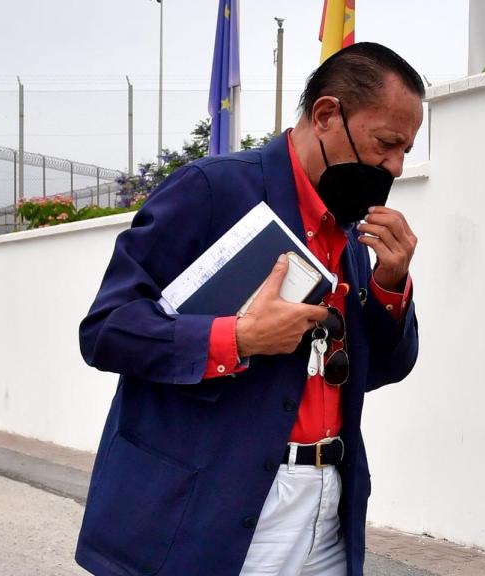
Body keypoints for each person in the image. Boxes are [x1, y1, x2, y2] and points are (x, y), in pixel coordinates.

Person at [75, 42, 423, 576]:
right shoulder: (213, 190)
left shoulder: (352, 228)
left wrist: (389, 283)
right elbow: (106, 330)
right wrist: (236, 337)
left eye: (406, 150)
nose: (395, 166)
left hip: (328, 513)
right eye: (387, 143)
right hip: (211, 511)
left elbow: (381, 368)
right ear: (328, 114)